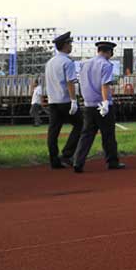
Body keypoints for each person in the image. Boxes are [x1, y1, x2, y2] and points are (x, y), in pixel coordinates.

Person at [72, 41, 124, 172]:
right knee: (108, 135)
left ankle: (78, 161)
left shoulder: (84, 64)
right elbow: (105, 84)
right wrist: (105, 102)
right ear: (109, 52)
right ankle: (112, 161)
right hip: (102, 105)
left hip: (88, 104)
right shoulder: (106, 64)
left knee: (86, 135)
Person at [43, 31, 83, 169]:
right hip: (65, 100)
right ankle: (67, 154)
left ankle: (54, 160)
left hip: (53, 101)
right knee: (81, 124)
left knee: (53, 131)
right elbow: (70, 82)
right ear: (65, 45)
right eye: (69, 43)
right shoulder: (67, 62)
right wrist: (74, 101)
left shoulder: (50, 62)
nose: (71, 46)